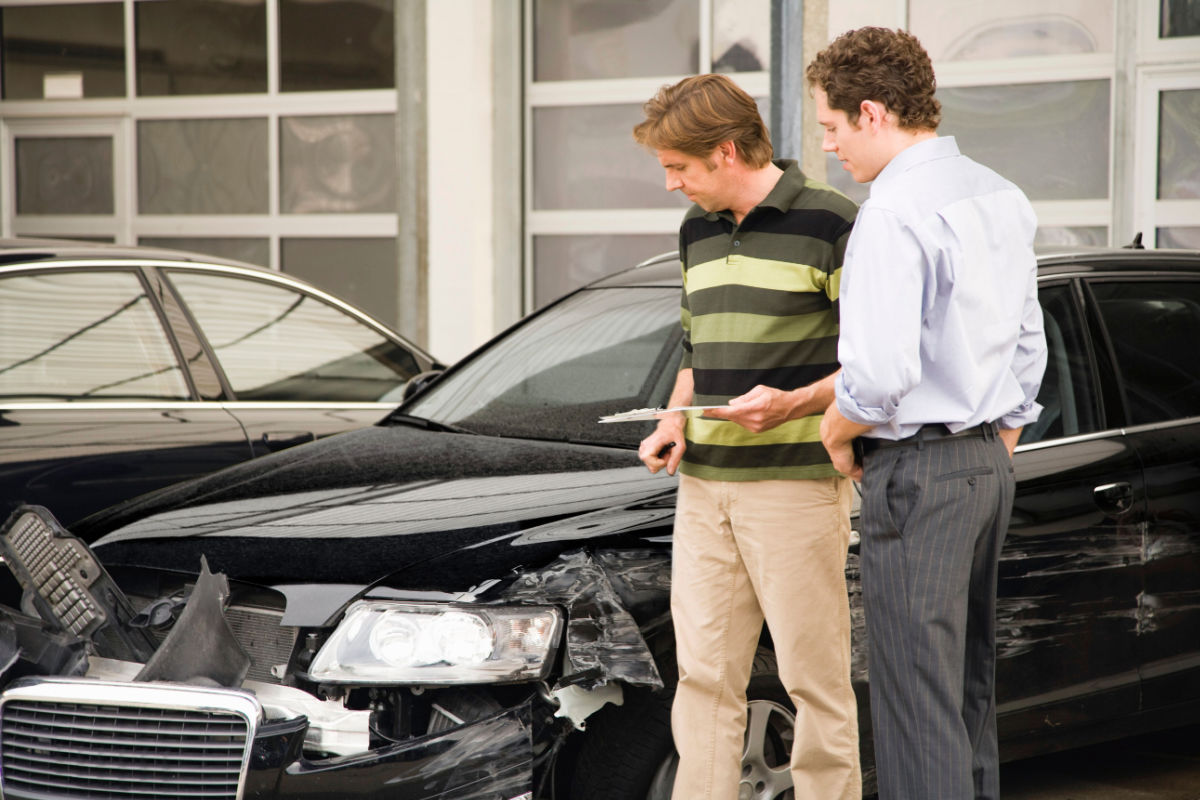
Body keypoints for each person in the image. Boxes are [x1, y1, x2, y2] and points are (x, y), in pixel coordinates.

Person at [809, 27, 1048, 800]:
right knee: (966, 691)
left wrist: (833, 428)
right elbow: (1027, 344)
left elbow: (878, 379)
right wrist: (993, 439)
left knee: (917, 706)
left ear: (872, 112)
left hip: (920, 472)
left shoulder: (891, 212)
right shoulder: (999, 195)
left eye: (833, 128)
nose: (830, 148)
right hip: (986, 463)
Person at [632, 73, 861, 800]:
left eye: (678, 168)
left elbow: (877, 365)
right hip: (703, 489)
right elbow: (698, 352)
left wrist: (794, 404)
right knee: (703, 679)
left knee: (813, 683)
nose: (670, 185)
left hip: (796, 490)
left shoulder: (833, 224)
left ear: (726, 151)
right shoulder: (695, 230)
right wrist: (673, 417)